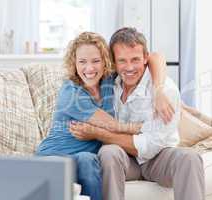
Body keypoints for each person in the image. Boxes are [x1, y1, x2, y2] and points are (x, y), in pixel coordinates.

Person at [70, 27, 205, 200]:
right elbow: (157, 57)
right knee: (108, 153)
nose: (129, 67)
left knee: (190, 158)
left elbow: (150, 146)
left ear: (145, 59)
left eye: (135, 59)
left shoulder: (166, 91)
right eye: (122, 61)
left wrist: (97, 134)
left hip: (159, 157)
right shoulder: (110, 81)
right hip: (125, 159)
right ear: (113, 62)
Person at [36, 31, 173, 200]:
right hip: (54, 158)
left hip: (85, 161)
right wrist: (142, 128)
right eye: (82, 62)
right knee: (88, 159)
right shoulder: (71, 93)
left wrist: (158, 90)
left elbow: (155, 57)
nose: (90, 68)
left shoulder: (108, 80)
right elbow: (115, 126)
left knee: (89, 160)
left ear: (105, 62)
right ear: (74, 63)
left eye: (96, 61)